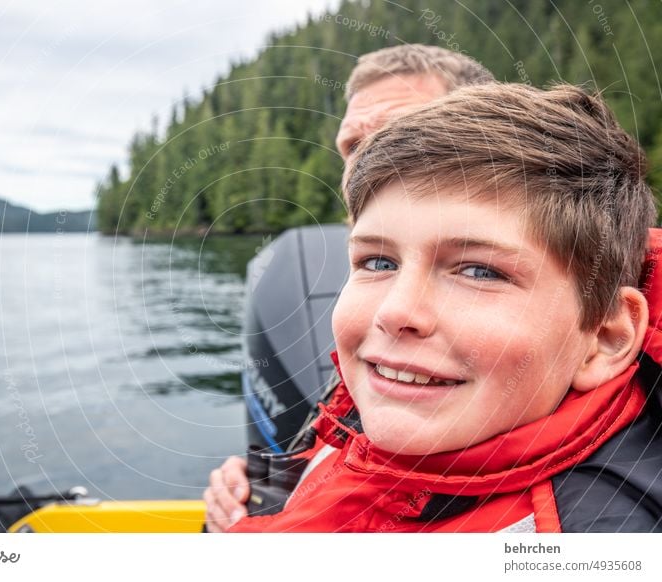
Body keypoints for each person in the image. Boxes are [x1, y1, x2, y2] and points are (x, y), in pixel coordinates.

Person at [227, 81, 661, 532]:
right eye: (378, 261)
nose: (395, 312)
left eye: (479, 272)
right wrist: (266, 496)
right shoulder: (387, 399)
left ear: (605, 339)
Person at [204, 44, 495, 533]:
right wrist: (273, 487)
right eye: (352, 147)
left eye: (397, 138)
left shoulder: (558, 303)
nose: (361, 170)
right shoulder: (362, 306)